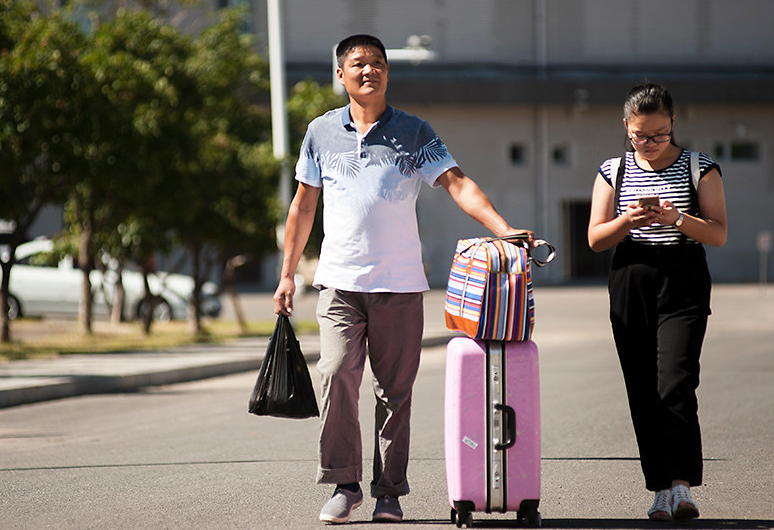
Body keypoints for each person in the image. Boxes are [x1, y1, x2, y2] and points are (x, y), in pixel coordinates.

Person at [273, 34, 533, 524]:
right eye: (357, 64)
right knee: (335, 375)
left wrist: (503, 229)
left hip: (399, 283)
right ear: (340, 75)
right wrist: (288, 275)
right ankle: (345, 485)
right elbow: (303, 205)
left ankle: (388, 492)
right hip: (339, 282)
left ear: (388, 72)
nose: (368, 70)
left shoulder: (414, 132)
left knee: (394, 392)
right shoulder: (320, 132)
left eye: (376, 63)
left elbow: (456, 182)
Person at [588, 83, 727, 522]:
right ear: (626, 128)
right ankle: (660, 489)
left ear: (673, 125)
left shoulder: (699, 168)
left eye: (659, 135)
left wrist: (677, 218)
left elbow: (718, 233)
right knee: (642, 387)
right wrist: (627, 220)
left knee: (676, 381)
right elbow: (594, 239)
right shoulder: (613, 170)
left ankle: (683, 485)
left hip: (682, 275)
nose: (648, 144)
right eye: (639, 136)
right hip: (632, 275)